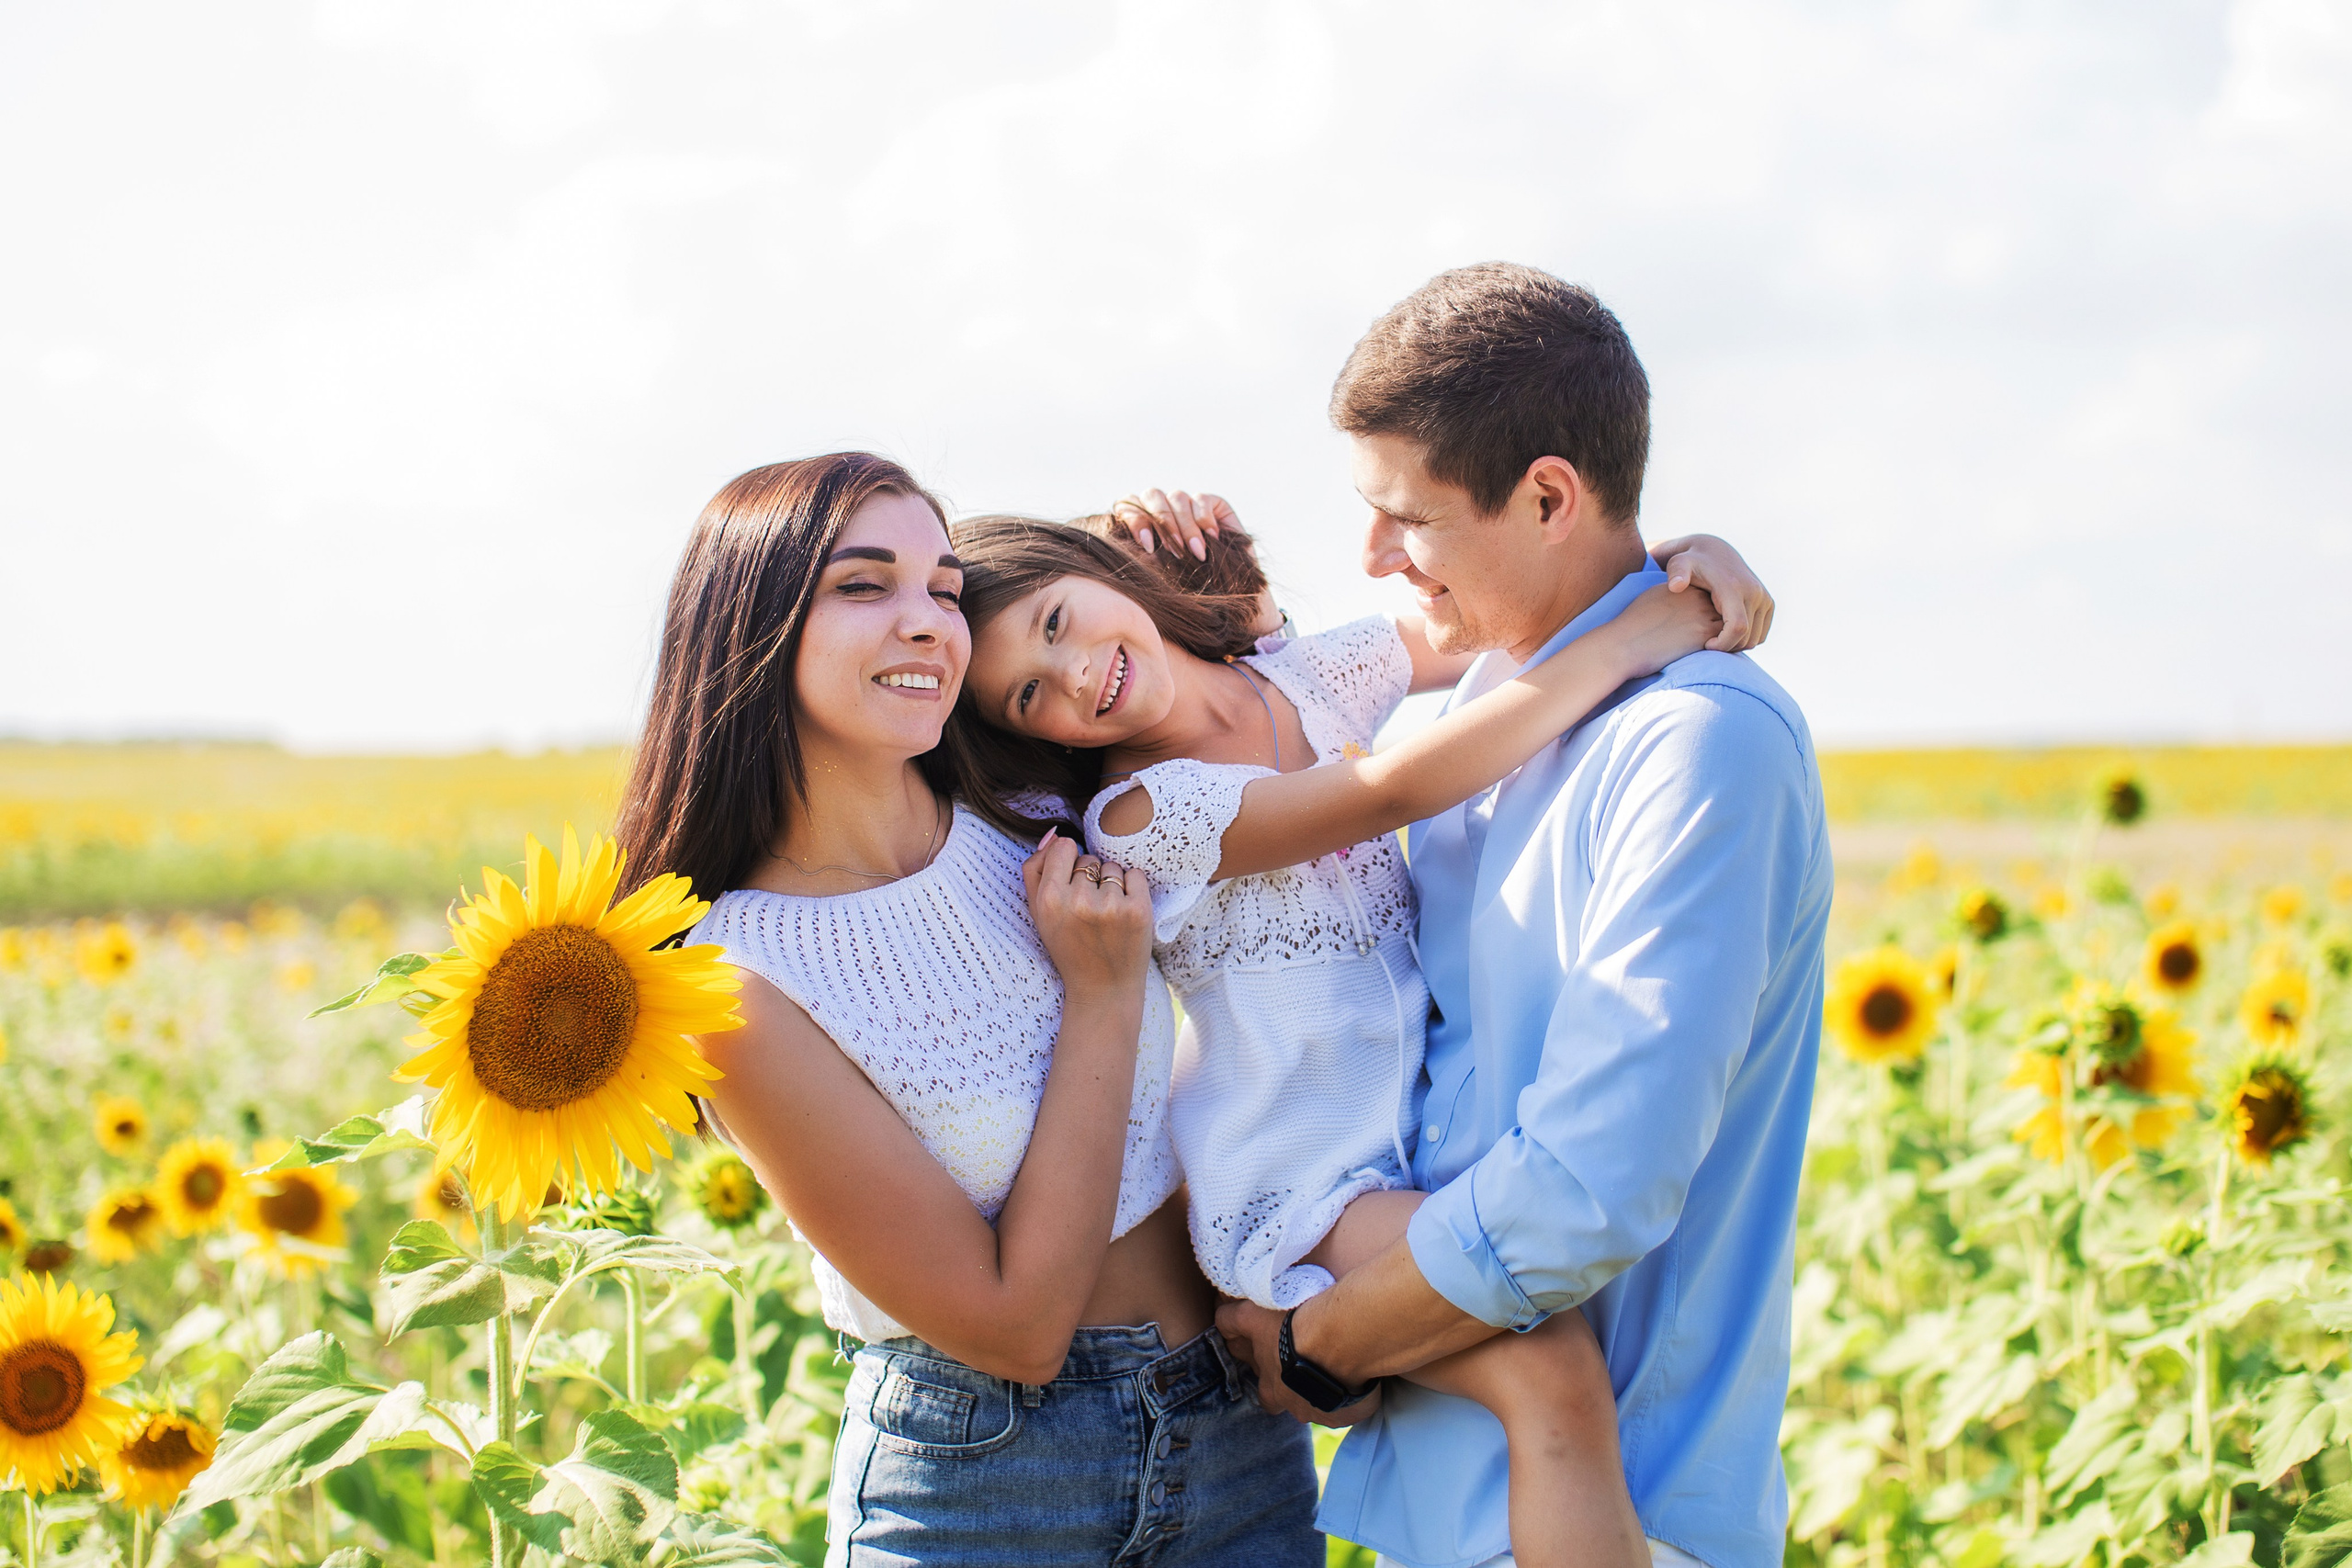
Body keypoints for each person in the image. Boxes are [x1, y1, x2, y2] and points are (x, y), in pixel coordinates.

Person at [949, 508, 1771, 1568]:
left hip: (1407, 1147)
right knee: (1551, 1371)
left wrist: (1678, 565)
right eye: (1029, 694)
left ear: (1096, 567)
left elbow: (1502, 619)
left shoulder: (1299, 677)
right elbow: (1396, 788)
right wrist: (1630, 641)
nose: (1073, 676)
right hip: (1298, 1186)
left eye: (1058, 622)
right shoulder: (1141, 814)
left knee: (1563, 1358)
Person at [1200, 264, 1835, 1568]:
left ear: (1548, 496)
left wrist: (1321, 1342)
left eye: (1407, 518)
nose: (1374, 557)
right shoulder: (1473, 711)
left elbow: (1588, 1186)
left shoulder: (1698, 743)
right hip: (1441, 1496)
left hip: (1625, 1511)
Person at [613, 454, 1324, 1566]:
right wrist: (1100, 996)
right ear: (748, 626)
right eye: (864, 586)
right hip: (986, 1489)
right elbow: (1016, 1328)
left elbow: (1267, 750)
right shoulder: (732, 983)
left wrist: (1236, 598)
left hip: (1236, 1431)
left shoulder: (1037, 803)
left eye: (943, 591)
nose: (927, 623)